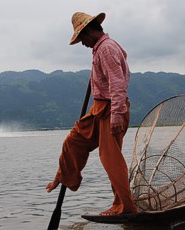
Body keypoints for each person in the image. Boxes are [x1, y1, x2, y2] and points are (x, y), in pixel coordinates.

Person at [45, 12, 138, 216]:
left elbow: (117, 83)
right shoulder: (100, 49)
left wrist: (116, 114)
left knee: (110, 158)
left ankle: (124, 206)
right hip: (99, 109)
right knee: (73, 141)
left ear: (89, 32)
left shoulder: (106, 48)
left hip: (110, 109)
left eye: (82, 39)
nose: (83, 44)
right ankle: (65, 176)